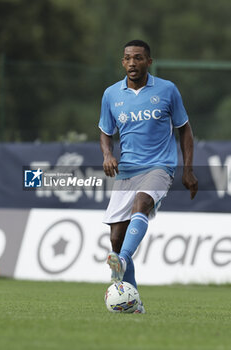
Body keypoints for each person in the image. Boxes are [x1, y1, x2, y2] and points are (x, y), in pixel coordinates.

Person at [98, 39, 198, 313]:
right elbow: (105, 131)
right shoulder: (111, 95)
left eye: (139, 58)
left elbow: (184, 129)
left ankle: (123, 260)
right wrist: (107, 155)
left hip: (159, 166)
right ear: (122, 62)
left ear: (148, 62)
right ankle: (134, 302)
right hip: (126, 171)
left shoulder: (167, 90)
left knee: (141, 205)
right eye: (128, 58)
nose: (133, 63)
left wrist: (187, 169)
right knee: (116, 238)